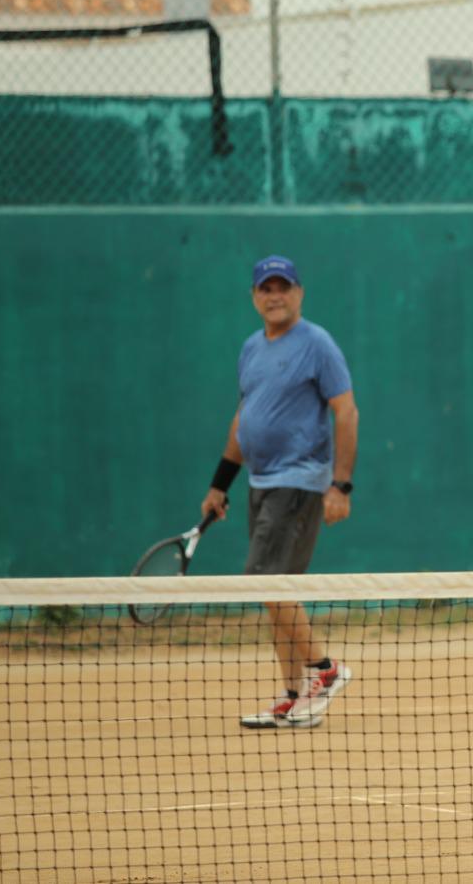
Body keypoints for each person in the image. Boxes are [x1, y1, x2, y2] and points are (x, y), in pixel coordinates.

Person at [200, 255, 360, 730]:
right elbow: (243, 421)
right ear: (254, 297)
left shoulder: (318, 344)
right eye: (265, 288)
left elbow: (346, 413)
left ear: (299, 293)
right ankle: (296, 696)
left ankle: (324, 671)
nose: (275, 296)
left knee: (265, 582)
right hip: (260, 483)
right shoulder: (251, 348)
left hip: (300, 481)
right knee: (278, 593)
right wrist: (219, 483)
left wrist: (340, 485)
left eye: (283, 287)